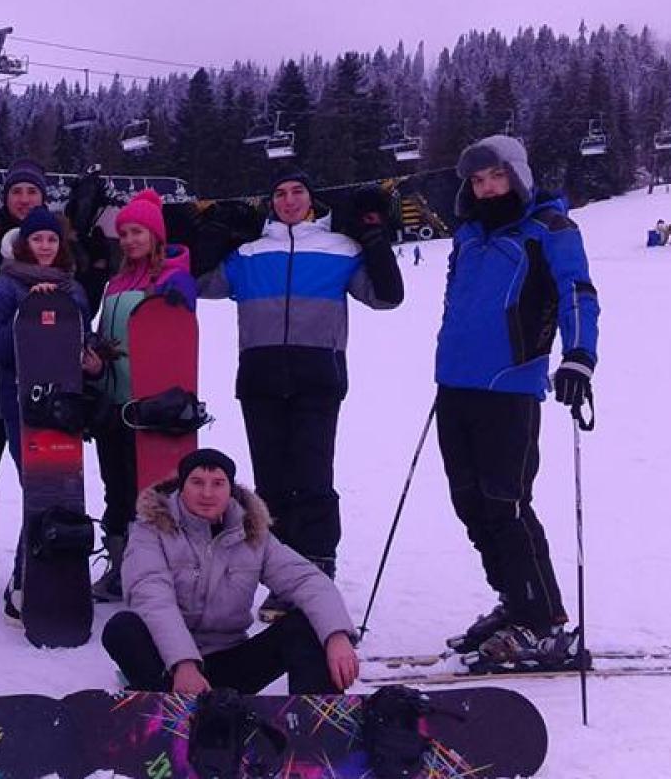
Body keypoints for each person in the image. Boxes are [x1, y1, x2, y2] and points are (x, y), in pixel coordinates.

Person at [196, 170, 404, 595]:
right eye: (279, 193)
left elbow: (386, 297)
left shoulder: (339, 248)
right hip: (260, 378)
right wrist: (215, 233)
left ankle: (316, 570)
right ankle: (280, 572)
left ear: (311, 199)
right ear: (270, 201)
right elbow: (197, 283)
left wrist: (374, 237)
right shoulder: (249, 253)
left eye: (297, 192)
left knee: (312, 478)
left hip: (318, 378)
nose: (288, 200)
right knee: (271, 482)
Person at [436, 134, 600, 668]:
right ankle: (515, 600)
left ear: (518, 175)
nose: (487, 188)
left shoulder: (548, 229)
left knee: (505, 505)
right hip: (455, 386)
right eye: (478, 181)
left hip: (510, 388)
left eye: (496, 177)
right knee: (470, 504)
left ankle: (542, 620)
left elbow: (577, 292)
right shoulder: (468, 236)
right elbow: (457, 304)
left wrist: (578, 356)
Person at [102, 449, 360, 695]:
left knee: (310, 625)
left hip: (230, 661)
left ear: (230, 490)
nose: (207, 493)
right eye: (197, 482)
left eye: (218, 483)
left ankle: (317, 719)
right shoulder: (150, 531)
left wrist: (336, 635)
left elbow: (306, 580)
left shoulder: (252, 532)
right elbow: (153, 599)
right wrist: (183, 663)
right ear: (181, 487)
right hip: (168, 665)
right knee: (122, 629)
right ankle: (171, 710)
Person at [81, 189, 198, 602]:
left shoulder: (171, 278)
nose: (130, 240)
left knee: (151, 492)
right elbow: (111, 342)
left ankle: (157, 570)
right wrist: (96, 365)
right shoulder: (115, 284)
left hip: (152, 408)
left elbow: (177, 325)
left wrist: (175, 299)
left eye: (138, 232)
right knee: (116, 489)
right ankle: (120, 567)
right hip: (114, 405)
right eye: (125, 233)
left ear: (156, 235)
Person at [0, 205, 91, 620]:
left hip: (65, 405)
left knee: (61, 489)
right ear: (24, 243)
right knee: (38, 487)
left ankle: (43, 576)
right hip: (21, 404)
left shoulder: (72, 288)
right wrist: (30, 317)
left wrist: (92, 357)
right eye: (37, 239)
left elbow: (81, 340)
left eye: (52, 239)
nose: (45, 246)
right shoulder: (4, 286)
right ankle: (25, 580)